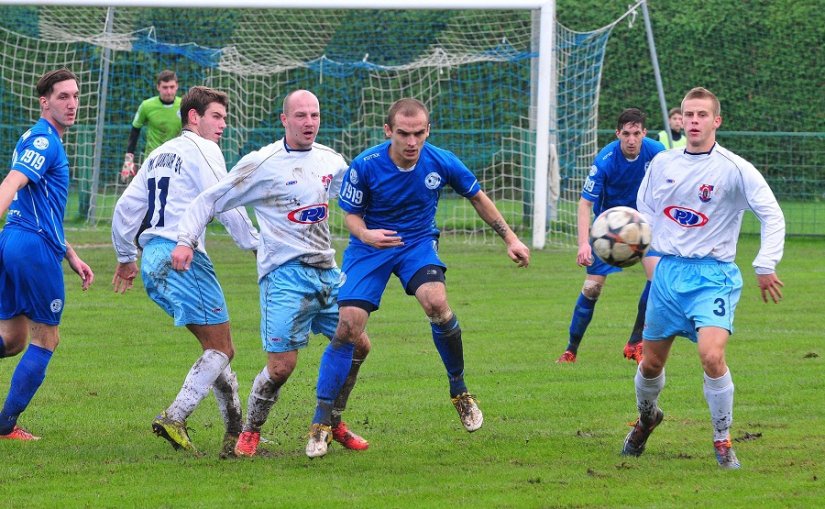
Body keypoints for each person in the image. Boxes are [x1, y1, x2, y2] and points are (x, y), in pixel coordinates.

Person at [304, 97, 531, 458]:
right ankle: (321, 421)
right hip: (370, 248)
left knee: (437, 303)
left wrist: (511, 238)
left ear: (428, 130)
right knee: (348, 327)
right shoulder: (366, 165)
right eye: (404, 134)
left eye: (419, 133)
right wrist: (366, 235)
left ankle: (460, 391)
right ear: (388, 131)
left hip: (417, 244)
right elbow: (350, 217)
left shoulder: (441, 160)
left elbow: (477, 196)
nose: (412, 142)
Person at [172, 89, 371, 458]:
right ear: (284, 120)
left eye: (314, 115)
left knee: (359, 345)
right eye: (300, 115)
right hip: (284, 276)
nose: (309, 122)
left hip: (327, 271)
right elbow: (210, 199)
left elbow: (359, 200)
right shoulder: (262, 163)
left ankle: (331, 421)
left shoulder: (331, 160)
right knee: (281, 368)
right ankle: (251, 430)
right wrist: (186, 240)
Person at [621, 87, 785, 469]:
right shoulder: (663, 164)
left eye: (701, 115)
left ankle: (723, 439)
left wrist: (765, 264)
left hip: (714, 276)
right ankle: (646, 420)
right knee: (649, 365)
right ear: (681, 120)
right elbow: (644, 211)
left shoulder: (734, 168)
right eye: (688, 114)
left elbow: (772, 214)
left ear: (716, 121)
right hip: (668, 273)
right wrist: (629, 242)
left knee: (711, 356)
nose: (693, 121)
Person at [111, 86, 259, 456]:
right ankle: (174, 416)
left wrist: (126, 256)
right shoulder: (203, 149)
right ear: (194, 117)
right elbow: (223, 199)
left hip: (152, 260)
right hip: (183, 256)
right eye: (217, 117)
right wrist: (256, 244)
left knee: (217, 348)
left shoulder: (159, 154)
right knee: (222, 348)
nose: (223, 125)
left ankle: (234, 435)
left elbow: (126, 208)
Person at [0, 68, 95, 440]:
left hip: (15, 241)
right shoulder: (44, 142)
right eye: (63, 97)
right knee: (46, 339)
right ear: (45, 101)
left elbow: (43, 207)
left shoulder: (35, 137)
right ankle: (5, 426)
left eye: (75, 96)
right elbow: (11, 183)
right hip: (32, 247)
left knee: (12, 339)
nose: (72, 104)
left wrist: (71, 255)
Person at [556, 108, 665, 364]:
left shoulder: (658, 152)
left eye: (636, 133)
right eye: (626, 134)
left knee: (658, 277)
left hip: (643, 225)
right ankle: (571, 350)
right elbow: (584, 204)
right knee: (592, 288)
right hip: (609, 229)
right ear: (618, 134)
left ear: (644, 133)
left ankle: (635, 342)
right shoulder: (605, 160)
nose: (631, 139)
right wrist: (584, 243)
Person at [120, 70, 182, 182]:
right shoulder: (146, 106)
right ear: (158, 87)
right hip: (153, 159)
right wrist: (128, 161)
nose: (169, 91)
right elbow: (135, 131)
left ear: (177, 86)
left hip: (176, 159)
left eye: (172, 87)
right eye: (165, 87)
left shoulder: (184, 106)